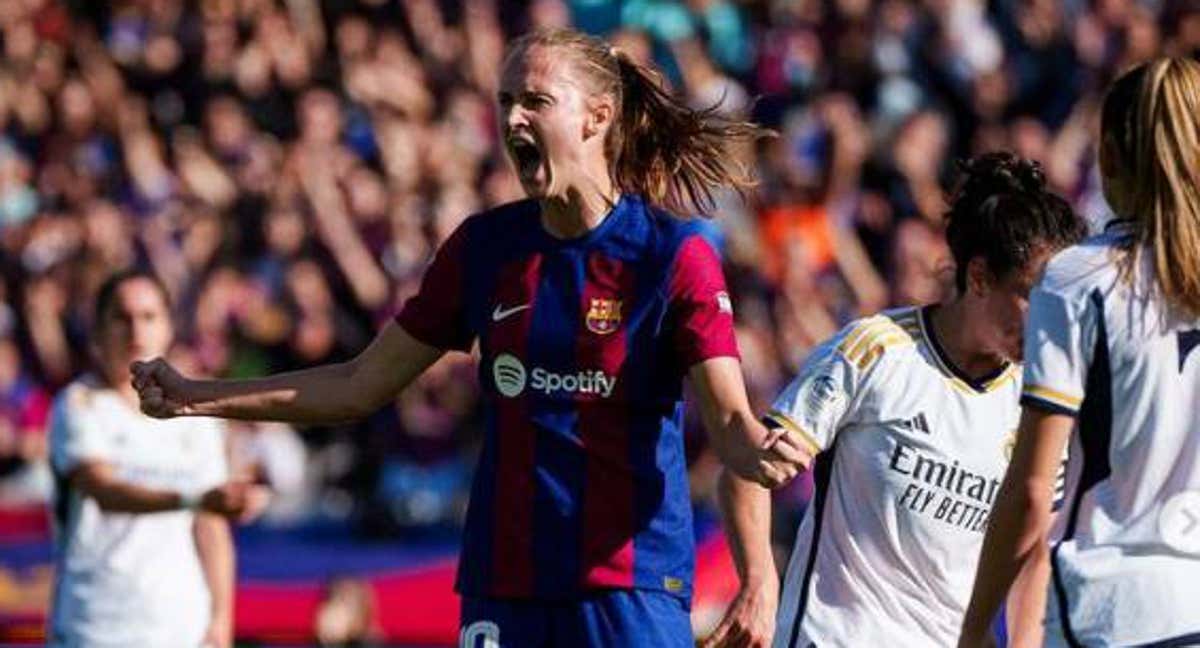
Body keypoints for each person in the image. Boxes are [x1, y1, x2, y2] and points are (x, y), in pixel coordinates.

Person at [130, 27, 810, 648]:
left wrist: (760, 521)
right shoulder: (486, 249)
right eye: (506, 99)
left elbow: (728, 421)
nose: (513, 117)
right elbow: (358, 383)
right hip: (504, 582)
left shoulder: (671, 254)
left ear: (596, 118)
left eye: (536, 101)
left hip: (627, 587)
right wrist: (197, 396)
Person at [714, 152, 1083, 648]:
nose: (1048, 323)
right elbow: (746, 468)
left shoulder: (1038, 401)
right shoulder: (879, 351)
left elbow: (1032, 548)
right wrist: (760, 583)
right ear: (978, 277)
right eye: (1031, 298)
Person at [960, 58, 1200, 648]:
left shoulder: (1080, 279)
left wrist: (972, 630)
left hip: (1111, 608)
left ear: (1111, 157)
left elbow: (1033, 488)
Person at [46, 269, 270, 648]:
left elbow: (211, 528)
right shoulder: (79, 405)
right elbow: (104, 490)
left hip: (179, 626)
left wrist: (220, 622)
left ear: (168, 326)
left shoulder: (195, 413)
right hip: (95, 624)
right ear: (98, 332)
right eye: (122, 317)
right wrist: (193, 499)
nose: (136, 331)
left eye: (149, 317)